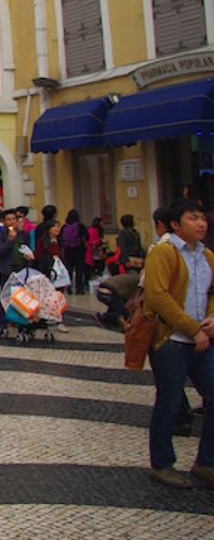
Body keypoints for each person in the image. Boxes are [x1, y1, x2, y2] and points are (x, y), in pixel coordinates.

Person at [141, 199, 214, 490]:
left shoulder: (206, 255)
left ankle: (206, 461)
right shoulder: (163, 252)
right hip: (170, 341)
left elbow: (212, 291)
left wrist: (211, 317)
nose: (201, 223)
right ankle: (162, 464)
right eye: (193, 218)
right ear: (175, 224)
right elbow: (157, 297)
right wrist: (193, 328)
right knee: (170, 404)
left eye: (202, 218)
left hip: (202, 339)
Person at [0, 210, 32, 338]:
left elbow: (25, 247)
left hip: (21, 270)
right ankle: (2, 324)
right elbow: (0, 252)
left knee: (21, 298)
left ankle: (21, 324)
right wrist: (10, 240)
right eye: (8, 219)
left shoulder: (22, 234)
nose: (11, 222)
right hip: (6, 270)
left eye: (13, 219)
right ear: (4, 221)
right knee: (5, 297)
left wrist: (28, 256)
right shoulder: (0, 235)